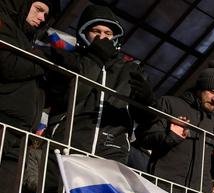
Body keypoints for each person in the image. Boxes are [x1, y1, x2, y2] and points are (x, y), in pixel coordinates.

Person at [44, 5, 154, 161]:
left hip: (112, 155)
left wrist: (147, 102)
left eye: (108, 33)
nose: (102, 37)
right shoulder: (69, 58)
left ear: (115, 38)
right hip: (66, 148)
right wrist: (95, 57)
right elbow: (68, 97)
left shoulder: (131, 69)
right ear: (84, 33)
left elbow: (145, 120)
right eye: (96, 31)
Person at [0, 0, 55, 193]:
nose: (42, 18)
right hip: (3, 124)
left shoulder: (25, 37)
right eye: (39, 9)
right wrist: (44, 60)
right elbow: (7, 64)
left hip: (20, 134)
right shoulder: (4, 23)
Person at [136, 61, 214, 193]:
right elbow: (143, 137)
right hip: (164, 191)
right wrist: (170, 137)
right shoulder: (170, 104)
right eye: (213, 92)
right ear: (200, 88)